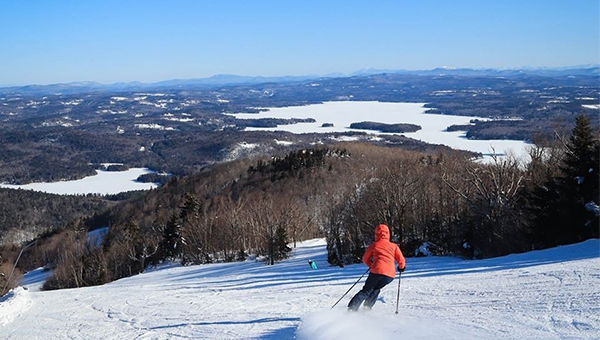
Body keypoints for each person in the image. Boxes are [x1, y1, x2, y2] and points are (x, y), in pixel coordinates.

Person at [348, 224, 405, 311]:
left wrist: (371, 265)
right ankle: (367, 308)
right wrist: (401, 267)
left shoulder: (374, 245)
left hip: (376, 272)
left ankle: (352, 309)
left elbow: (365, 259)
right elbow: (401, 260)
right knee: (376, 288)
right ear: (388, 234)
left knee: (366, 291)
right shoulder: (394, 246)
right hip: (389, 275)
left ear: (376, 234)